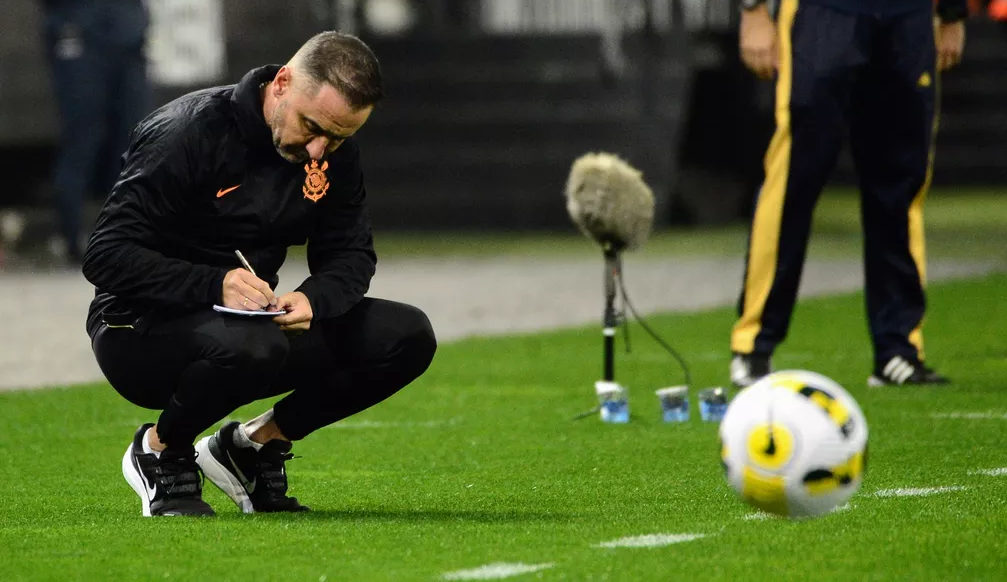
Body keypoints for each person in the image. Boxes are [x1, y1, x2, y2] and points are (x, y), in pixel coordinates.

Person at [82, 32, 437, 517]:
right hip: (137, 330)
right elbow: (105, 254)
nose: (318, 149)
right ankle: (160, 450)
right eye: (312, 126)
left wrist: (315, 298)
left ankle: (251, 447)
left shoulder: (330, 152)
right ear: (282, 82)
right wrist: (214, 283)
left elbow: (351, 254)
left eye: (337, 137)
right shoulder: (188, 131)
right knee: (255, 345)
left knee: (408, 335)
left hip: (245, 330)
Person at [729, 0, 967, 388]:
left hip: (908, 15)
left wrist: (953, 13)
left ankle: (897, 350)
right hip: (823, 12)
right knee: (794, 179)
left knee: (900, 185)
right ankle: (754, 345)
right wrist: (754, 10)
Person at [40, 0, 152, 264]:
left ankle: (131, 237)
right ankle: (73, 238)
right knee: (82, 137)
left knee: (135, 140)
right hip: (79, 34)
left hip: (127, 35)